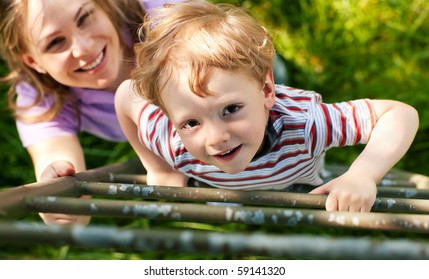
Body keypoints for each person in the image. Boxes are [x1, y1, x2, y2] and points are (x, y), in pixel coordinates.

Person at [115, 0, 419, 213]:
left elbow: (399, 114)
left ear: (266, 90)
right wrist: (158, 167)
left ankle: (275, 72)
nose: (216, 137)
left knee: (250, 77)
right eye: (192, 123)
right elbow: (127, 94)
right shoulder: (173, 141)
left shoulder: (306, 125)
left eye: (230, 109)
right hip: (230, 190)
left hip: (295, 176)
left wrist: (362, 175)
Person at [0, 0, 186, 225]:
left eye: (84, 18)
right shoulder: (40, 97)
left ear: (104, 5)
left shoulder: (166, 18)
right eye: (56, 42)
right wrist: (61, 199)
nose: (84, 48)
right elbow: (56, 158)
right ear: (33, 61)